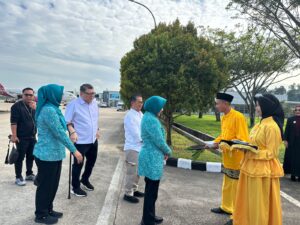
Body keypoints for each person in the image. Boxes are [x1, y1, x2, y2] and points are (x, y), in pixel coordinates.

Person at [33, 84, 83, 224]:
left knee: (52, 185)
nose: (62, 96)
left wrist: (71, 132)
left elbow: (63, 128)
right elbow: (59, 133)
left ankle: (48, 209)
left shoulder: (54, 108)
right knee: (45, 186)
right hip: (46, 155)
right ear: (52, 95)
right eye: (59, 93)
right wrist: (74, 150)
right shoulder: (48, 110)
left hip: (54, 154)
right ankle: (41, 214)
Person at [231, 94, 284, 225]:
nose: (256, 108)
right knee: (248, 200)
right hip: (250, 167)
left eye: (258, 105)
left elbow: (272, 153)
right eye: (256, 105)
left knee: (260, 203)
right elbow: (253, 144)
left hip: (263, 171)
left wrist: (252, 152)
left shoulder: (272, 127)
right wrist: (241, 145)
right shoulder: (258, 125)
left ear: (267, 106)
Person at [209, 93, 249, 220]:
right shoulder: (224, 117)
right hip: (227, 157)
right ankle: (226, 207)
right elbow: (224, 135)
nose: (216, 106)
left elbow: (242, 139)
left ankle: (236, 215)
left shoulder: (238, 117)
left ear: (225, 103)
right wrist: (214, 143)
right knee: (227, 184)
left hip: (236, 158)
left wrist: (223, 144)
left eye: (217, 103)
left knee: (236, 187)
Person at [138, 96, 172, 225]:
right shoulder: (151, 120)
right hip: (151, 158)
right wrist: (168, 151)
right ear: (154, 107)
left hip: (152, 157)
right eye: (160, 106)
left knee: (152, 191)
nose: (162, 109)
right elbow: (159, 140)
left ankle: (150, 216)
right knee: (151, 192)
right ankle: (147, 220)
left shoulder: (149, 117)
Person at [65, 83, 100, 197]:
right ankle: (75, 187)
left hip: (93, 139)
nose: (92, 96)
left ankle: (85, 180)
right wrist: (72, 132)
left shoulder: (94, 103)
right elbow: (67, 122)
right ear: (81, 93)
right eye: (89, 94)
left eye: (93, 93)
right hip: (80, 141)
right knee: (78, 164)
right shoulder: (73, 105)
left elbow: (95, 119)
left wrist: (97, 130)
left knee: (91, 162)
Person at [10, 87, 37, 186]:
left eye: (31, 95)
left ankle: (29, 174)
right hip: (21, 137)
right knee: (20, 157)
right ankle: (18, 177)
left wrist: (36, 109)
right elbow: (13, 122)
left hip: (32, 136)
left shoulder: (34, 106)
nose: (29, 97)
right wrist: (14, 135)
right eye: (26, 95)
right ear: (22, 95)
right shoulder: (16, 106)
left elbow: (37, 120)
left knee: (31, 156)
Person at [123, 94, 145, 203]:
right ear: (132, 103)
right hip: (132, 148)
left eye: (142, 102)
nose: (141, 104)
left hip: (140, 148)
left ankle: (134, 189)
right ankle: (128, 193)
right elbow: (136, 134)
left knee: (138, 172)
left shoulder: (140, 114)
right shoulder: (129, 115)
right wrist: (146, 141)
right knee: (131, 172)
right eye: (139, 102)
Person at [283, 105, 300, 181]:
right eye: (296, 110)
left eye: (299, 110)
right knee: (292, 159)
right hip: (292, 142)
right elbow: (286, 131)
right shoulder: (290, 119)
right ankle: (292, 175)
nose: (297, 111)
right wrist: (285, 140)